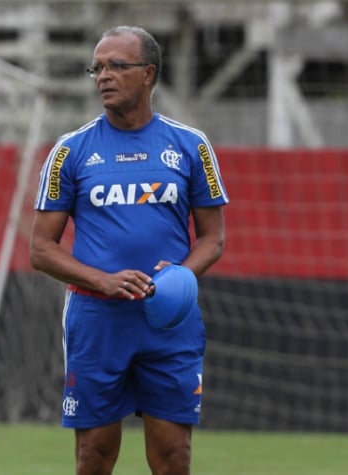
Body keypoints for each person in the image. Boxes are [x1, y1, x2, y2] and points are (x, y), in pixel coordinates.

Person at [29, 25, 229, 475]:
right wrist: (104, 281)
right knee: (94, 456)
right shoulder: (70, 151)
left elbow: (213, 239)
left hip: (170, 322)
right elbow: (41, 250)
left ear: (149, 74)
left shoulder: (191, 146)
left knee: (173, 456)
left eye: (117, 66)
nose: (104, 76)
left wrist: (179, 278)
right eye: (96, 68)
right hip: (97, 320)